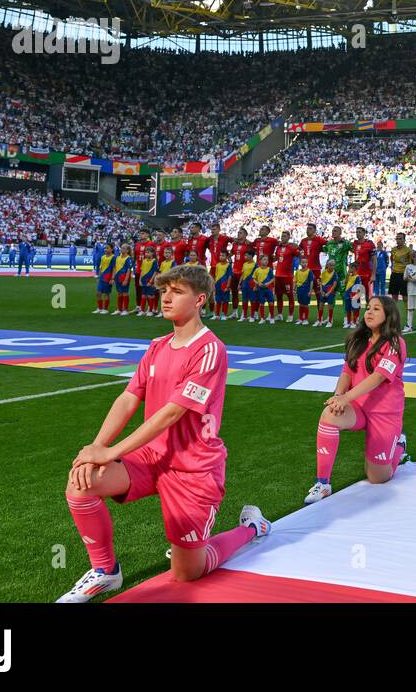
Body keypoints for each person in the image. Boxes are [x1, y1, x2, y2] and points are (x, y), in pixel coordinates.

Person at [57, 262, 272, 602]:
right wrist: (96, 446)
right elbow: (129, 397)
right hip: (151, 456)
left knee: (187, 573)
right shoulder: (158, 345)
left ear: (200, 299)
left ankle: (251, 528)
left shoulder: (209, 349)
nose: (166, 298)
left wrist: (111, 453)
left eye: (177, 291)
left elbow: (172, 413)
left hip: (193, 466)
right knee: (81, 481)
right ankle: (106, 572)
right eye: (163, 291)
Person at [303, 294, 409, 505]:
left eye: (376, 309)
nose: (369, 312)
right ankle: (322, 483)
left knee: (377, 478)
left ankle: (399, 445)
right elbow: (347, 371)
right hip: (358, 407)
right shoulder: (359, 340)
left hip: (385, 412)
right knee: (329, 414)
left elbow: (378, 377)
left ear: (388, 316)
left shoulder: (396, 343)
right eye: (368, 308)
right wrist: (337, 397)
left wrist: (346, 398)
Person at [273, 230, 297, 323]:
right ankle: (279, 315)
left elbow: (299, 254)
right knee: (278, 295)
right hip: (278, 275)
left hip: (287, 276)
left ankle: (290, 315)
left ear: (288, 238)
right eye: (282, 236)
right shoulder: (278, 248)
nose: (282, 238)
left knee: (290, 295)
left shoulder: (291, 247)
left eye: (284, 236)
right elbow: (276, 258)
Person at [252, 254, 277, 324]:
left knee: (271, 302)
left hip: (268, 289)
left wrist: (268, 283)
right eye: (264, 259)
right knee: (261, 303)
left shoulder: (270, 269)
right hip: (260, 289)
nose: (266, 261)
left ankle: (272, 317)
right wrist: (258, 283)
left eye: (267, 260)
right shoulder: (257, 270)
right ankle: (262, 318)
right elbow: (253, 278)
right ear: (260, 261)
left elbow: (273, 278)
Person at [137, 242, 159, 318]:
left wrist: (151, 281)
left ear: (153, 253)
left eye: (148, 252)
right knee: (143, 295)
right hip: (143, 280)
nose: (146, 254)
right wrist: (140, 280)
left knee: (150, 296)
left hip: (150, 280)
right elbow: (142, 271)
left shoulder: (154, 261)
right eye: (146, 252)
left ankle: (150, 310)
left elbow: (155, 272)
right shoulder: (144, 261)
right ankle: (142, 310)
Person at [92, 242, 115, 315]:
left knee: (106, 294)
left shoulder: (113, 257)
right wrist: (99, 276)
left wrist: (112, 278)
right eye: (105, 248)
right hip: (102, 277)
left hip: (108, 277)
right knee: (98, 293)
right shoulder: (103, 257)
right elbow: (101, 267)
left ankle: (105, 309)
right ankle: (99, 308)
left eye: (107, 248)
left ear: (112, 249)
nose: (106, 249)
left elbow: (114, 268)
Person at [387, 232, 411, 303]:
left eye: (400, 239)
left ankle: (408, 313)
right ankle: (394, 313)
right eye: (397, 239)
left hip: (404, 275)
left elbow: (410, 264)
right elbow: (392, 259)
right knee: (394, 296)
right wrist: (393, 268)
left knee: (405, 297)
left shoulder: (408, 250)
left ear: (404, 240)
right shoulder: (393, 249)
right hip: (394, 274)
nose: (398, 240)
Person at [210, 250, 232, 321]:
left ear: (227, 257)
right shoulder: (217, 265)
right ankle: (217, 315)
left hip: (225, 284)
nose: (221, 257)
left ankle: (224, 315)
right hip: (218, 284)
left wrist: (228, 286)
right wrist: (214, 284)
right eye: (220, 255)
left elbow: (229, 276)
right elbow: (216, 275)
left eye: (223, 255)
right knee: (218, 300)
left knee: (225, 300)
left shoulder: (228, 265)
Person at [293, 258, 313, 324]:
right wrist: (294, 289)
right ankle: (300, 318)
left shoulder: (309, 271)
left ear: (307, 263)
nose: (304, 263)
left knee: (306, 304)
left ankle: (306, 319)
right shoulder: (298, 272)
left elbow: (311, 282)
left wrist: (310, 291)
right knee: (301, 304)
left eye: (305, 262)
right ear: (300, 263)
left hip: (306, 290)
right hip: (299, 290)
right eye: (303, 262)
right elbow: (295, 281)